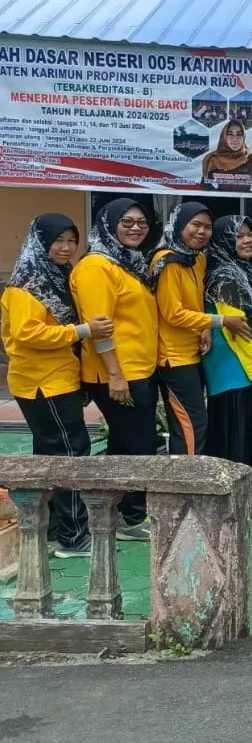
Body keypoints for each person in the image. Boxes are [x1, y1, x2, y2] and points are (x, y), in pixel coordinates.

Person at [3, 214, 109, 558]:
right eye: (58, 241)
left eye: (71, 241)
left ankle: (50, 529)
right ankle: (74, 537)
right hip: (41, 383)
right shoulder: (27, 285)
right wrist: (82, 331)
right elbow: (27, 334)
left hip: (58, 378)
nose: (66, 248)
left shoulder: (57, 277)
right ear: (40, 242)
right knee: (70, 454)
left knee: (52, 454)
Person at [71, 198, 159, 542]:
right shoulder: (96, 267)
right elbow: (99, 326)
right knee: (140, 444)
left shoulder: (124, 263)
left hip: (137, 369)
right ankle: (132, 519)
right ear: (108, 224)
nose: (136, 227)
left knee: (125, 444)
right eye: (126, 221)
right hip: (117, 373)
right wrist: (115, 374)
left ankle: (113, 510)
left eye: (141, 222)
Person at [202, 216, 252, 519]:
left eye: (250, 235)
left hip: (237, 365)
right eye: (239, 236)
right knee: (239, 433)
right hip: (234, 365)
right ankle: (246, 501)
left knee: (235, 430)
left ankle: (231, 499)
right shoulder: (225, 275)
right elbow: (238, 330)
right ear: (225, 241)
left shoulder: (240, 270)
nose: (247, 241)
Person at [149, 202, 222, 457]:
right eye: (196, 225)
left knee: (194, 420)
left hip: (192, 352)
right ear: (180, 225)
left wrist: (205, 330)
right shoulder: (167, 261)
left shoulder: (196, 258)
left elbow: (198, 300)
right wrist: (218, 322)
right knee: (191, 423)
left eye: (207, 227)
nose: (201, 232)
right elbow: (172, 313)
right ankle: (188, 486)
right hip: (173, 357)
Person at [201, 121, 252, 192]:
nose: (235, 139)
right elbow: (205, 184)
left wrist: (247, 197)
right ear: (224, 137)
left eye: (239, 135)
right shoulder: (215, 159)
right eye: (230, 134)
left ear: (244, 137)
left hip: (243, 201)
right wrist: (220, 195)